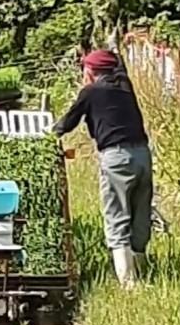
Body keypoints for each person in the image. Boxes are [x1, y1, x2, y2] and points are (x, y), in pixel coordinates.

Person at [53, 42, 154, 289]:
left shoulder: (90, 92)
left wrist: (47, 135)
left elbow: (67, 123)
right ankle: (143, 271)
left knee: (117, 215)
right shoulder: (126, 88)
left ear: (90, 72)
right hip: (142, 154)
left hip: (116, 157)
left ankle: (128, 283)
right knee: (140, 214)